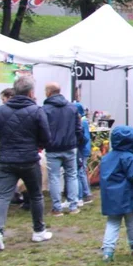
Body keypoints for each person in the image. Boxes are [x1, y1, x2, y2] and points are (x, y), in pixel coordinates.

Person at [0, 76, 51, 251]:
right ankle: (38, 230)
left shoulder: (1, 110)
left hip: (6, 159)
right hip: (29, 159)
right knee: (36, 195)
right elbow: (46, 137)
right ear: (31, 92)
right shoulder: (37, 110)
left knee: (3, 196)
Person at [99, 125, 133, 261]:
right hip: (127, 195)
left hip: (111, 197)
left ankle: (108, 250)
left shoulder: (107, 158)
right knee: (132, 222)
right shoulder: (128, 157)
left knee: (112, 222)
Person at [42, 83, 81, 216]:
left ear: (48, 92)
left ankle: (57, 208)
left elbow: (43, 130)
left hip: (53, 149)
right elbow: (78, 128)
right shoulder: (72, 107)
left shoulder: (45, 109)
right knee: (72, 175)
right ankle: (73, 206)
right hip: (70, 147)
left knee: (54, 177)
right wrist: (77, 142)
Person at [74, 102, 93, 205]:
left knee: (80, 172)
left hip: (83, 150)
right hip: (84, 149)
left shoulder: (81, 121)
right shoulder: (83, 121)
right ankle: (87, 193)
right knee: (82, 171)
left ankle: (85, 194)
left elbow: (84, 138)